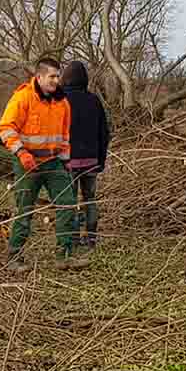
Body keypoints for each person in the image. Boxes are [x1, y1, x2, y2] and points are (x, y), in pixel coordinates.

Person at [0, 56, 85, 270]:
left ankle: (63, 256)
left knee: (67, 204)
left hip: (54, 163)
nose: (56, 81)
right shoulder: (23, 98)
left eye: (58, 76)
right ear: (39, 76)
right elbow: (6, 128)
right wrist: (21, 152)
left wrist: (66, 162)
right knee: (25, 210)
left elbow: (64, 137)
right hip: (27, 162)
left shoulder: (63, 103)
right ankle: (13, 257)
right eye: (52, 76)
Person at [59, 59, 110, 250]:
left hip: (68, 162)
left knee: (69, 201)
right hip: (91, 161)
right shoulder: (94, 100)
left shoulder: (60, 100)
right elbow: (104, 133)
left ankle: (72, 238)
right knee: (90, 199)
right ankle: (91, 239)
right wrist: (101, 160)